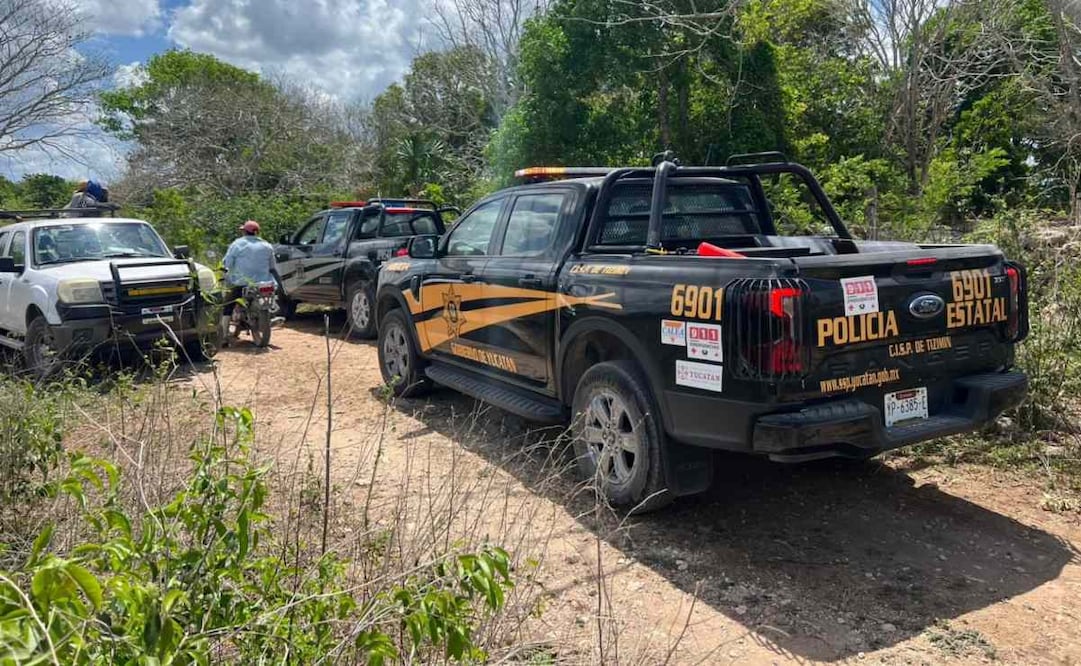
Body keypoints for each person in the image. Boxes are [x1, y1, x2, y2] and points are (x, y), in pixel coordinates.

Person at [220, 220, 276, 344]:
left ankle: (223, 335)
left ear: (244, 232)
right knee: (270, 299)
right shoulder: (267, 245)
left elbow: (227, 263)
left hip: (241, 282)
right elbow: (272, 267)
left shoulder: (237, 244)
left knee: (227, 304)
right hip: (264, 283)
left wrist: (223, 272)